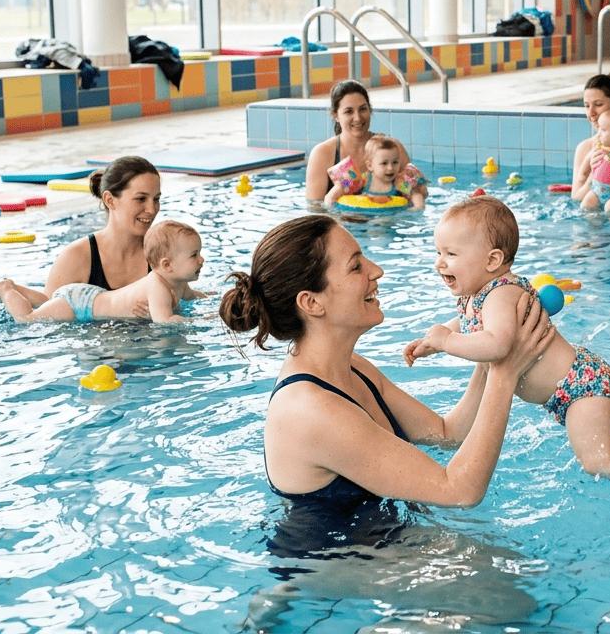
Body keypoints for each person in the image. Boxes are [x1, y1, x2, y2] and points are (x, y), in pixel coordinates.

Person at [219, 213, 553, 513]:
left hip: (386, 545)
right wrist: (504, 376)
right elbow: (459, 491)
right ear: (311, 302)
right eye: (355, 266)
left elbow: (445, 434)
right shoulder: (310, 409)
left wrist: (494, 350)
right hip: (340, 570)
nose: (376, 270)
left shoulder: (351, 366)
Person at [404, 196, 610, 487]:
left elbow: (496, 344)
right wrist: (433, 341)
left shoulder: (502, 293)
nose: (439, 263)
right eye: (438, 252)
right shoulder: (480, 294)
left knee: (598, 461)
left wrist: (447, 341)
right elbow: (470, 324)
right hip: (579, 383)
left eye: (451, 254)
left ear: (492, 260)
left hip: (579, 388)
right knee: (604, 429)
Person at [0, 156, 161, 314]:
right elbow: (48, 307)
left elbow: (184, 297)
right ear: (110, 200)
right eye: (141, 199)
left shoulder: (162, 251)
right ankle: (6, 288)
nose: (152, 209)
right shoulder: (79, 256)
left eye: (156, 199)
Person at [0, 220, 206, 322]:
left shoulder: (177, 283)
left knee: (45, 301)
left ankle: (16, 289)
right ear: (167, 265)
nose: (201, 260)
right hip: (80, 306)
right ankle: (6, 290)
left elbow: (198, 297)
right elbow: (165, 321)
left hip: (88, 295)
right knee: (27, 319)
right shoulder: (158, 287)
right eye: (194, 255)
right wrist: (206, 320)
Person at [304, 80, 426, 203]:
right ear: (335, 115)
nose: (357, 118)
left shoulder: (392, 148)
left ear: (370, 110)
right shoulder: (322, 154)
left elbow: (415, 196)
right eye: (349, 111)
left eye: (362, 109)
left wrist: (419, 190)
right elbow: (315, 208)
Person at [324, 134, 426, 209]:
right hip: (364, 215)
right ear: (370, 165)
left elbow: (415, 194)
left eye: (395, 162)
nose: (390, 168)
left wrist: (417, 207)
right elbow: (341, 188)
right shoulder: (364, 180)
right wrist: (330, 199)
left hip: (391, 216)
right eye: (384, 163)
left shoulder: (398, 182)